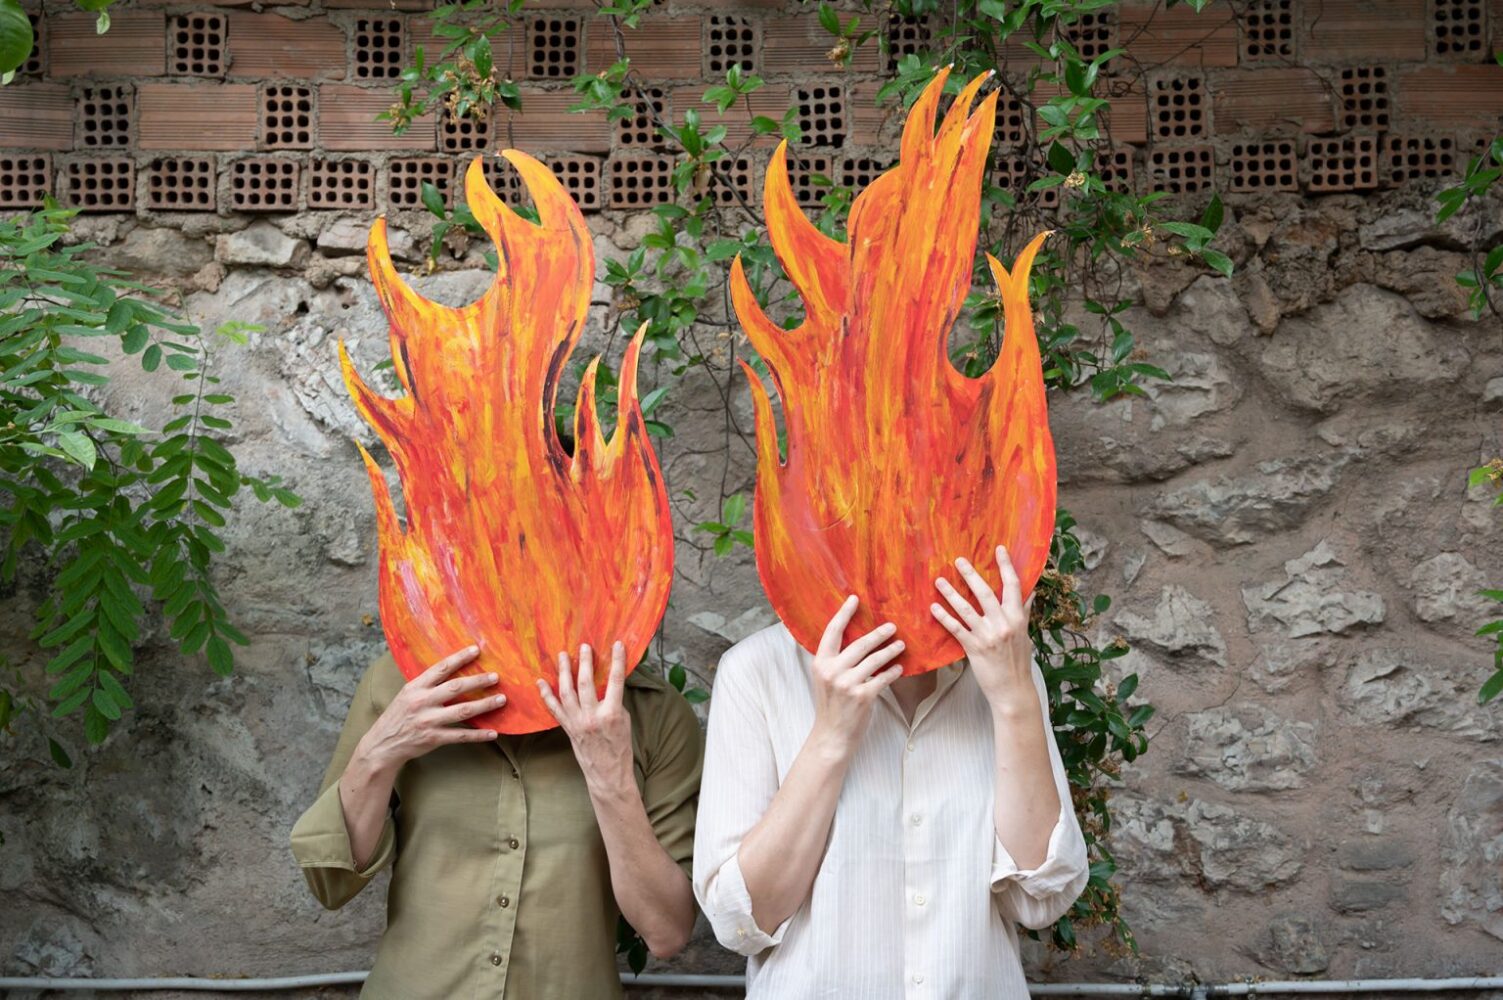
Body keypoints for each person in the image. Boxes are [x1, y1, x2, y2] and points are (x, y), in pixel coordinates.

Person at [693, 544, 1090, 998]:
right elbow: (741, 921)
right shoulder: (757, 671)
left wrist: (1013, 698)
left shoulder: (1008, 665)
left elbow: (1041, 896)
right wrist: (830, 738)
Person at [289, 639, 701, 999]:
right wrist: (378, 755)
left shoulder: (654, 713)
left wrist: (611, 780)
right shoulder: (402, 683)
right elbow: (330, 881)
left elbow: (666, 932)